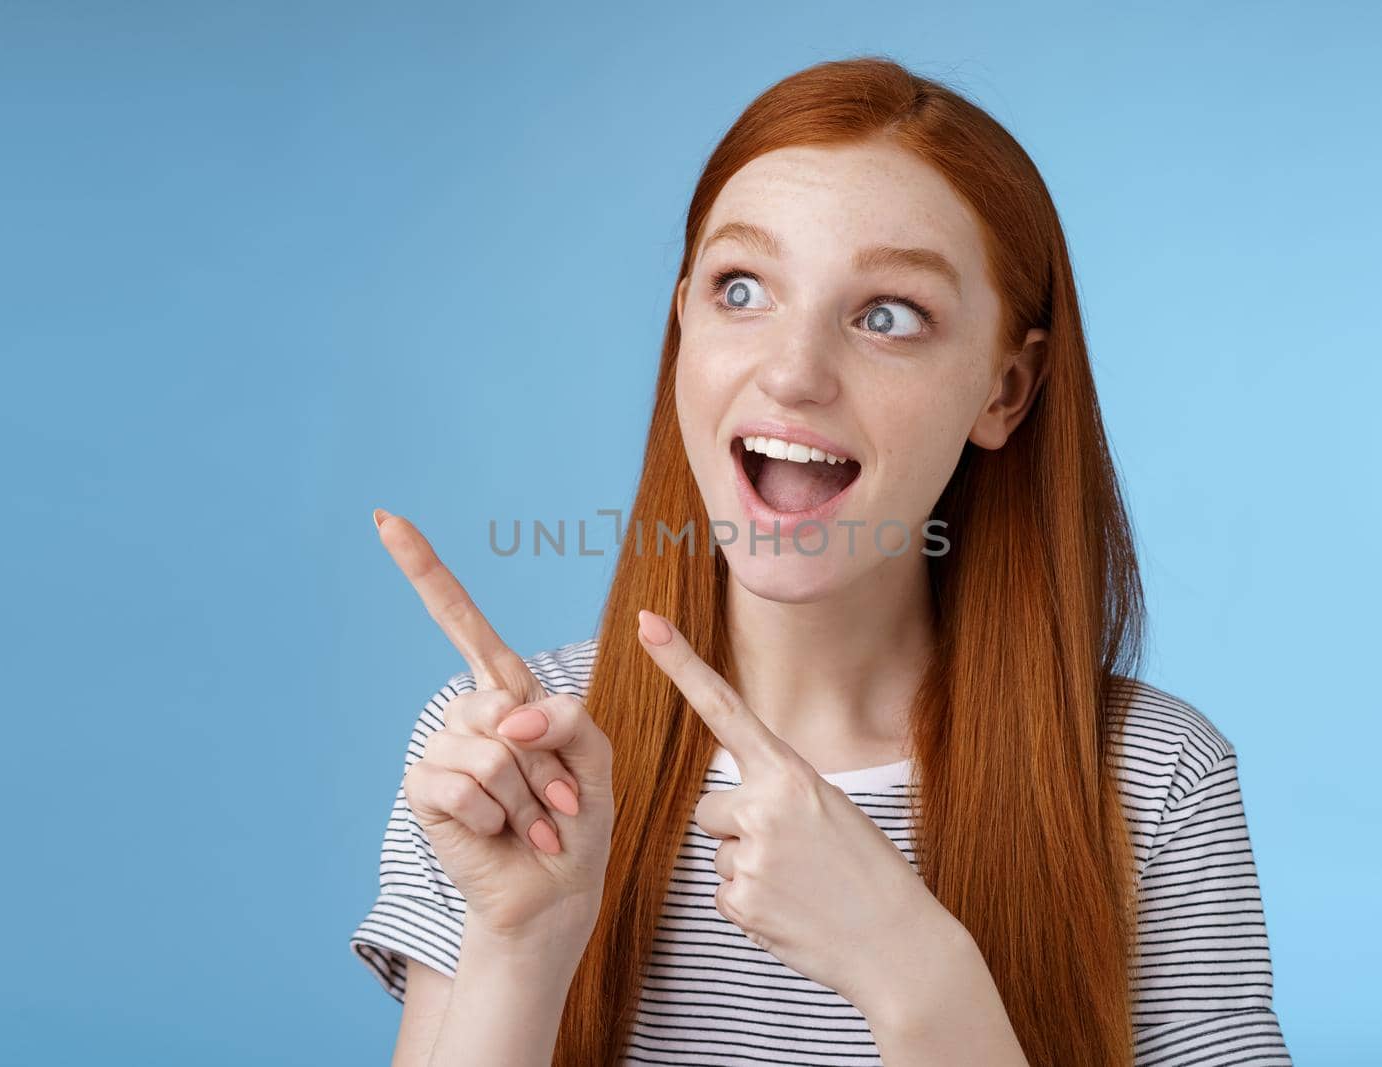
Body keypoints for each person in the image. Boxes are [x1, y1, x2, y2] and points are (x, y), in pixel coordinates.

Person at [350, 55, 1293, 1067]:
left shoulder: (1151, 779)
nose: (793, 372)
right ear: (683, 332)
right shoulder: (510, 759)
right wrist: (518, 952)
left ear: (1005, 391)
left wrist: (917, 976)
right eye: (741, 288)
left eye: (887, 314)